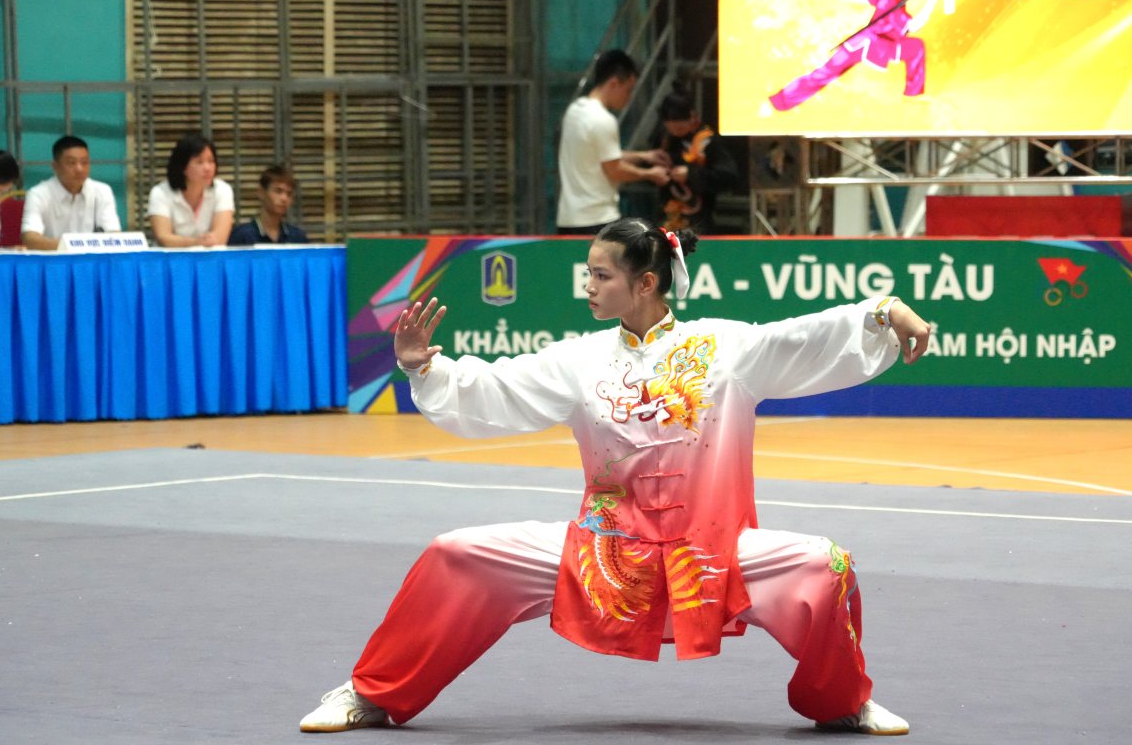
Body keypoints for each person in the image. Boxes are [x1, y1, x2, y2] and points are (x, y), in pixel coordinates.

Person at [299, 220, 931, 736]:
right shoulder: (580, 360)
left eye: (601, 275)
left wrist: (884, 311)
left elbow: (805, 338)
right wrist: (423, 371)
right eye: (588, 274)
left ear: (646, 281)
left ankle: (844, 703)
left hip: (711, 555)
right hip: (601, 552)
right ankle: (369, 693)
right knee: (456, 555)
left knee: (827, 566)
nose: (589, 287)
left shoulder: (726, 349)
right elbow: (495, 387)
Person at [765, 0, 948, 113]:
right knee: (825, 73)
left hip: (876, 44)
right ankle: (779, 102)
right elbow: (914, 25)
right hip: (871, 45)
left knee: (915, 47)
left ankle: (913, 95)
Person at [556, 49, 670, 235]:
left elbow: (598, 153)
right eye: (628, 90)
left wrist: (643, 156)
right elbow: (615, 169)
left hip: (568, 219)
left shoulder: (574, 111)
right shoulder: (603, 120)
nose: (629, 97)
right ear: (614, 83)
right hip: (597, 220)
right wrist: (650, 174)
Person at [656, 82, 738, 234]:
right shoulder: (664, 139)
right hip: (668, 216)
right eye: (670, 126)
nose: (675, 131)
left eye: (680, 126)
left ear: (692, 117)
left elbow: (729, 176)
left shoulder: (708, 141)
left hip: (700, 219)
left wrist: (691, 174)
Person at [21, 135, 122, 250]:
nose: (79, 169)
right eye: (71, 163)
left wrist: (80, 246)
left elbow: (114, 236)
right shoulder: (38, 194)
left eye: (84, 162)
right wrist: (78, 246)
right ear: (55, 166)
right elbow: (30, 239)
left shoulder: (102, 191)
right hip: (55, 262)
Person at [147, 133, 234, 247]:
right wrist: (197, 242)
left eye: (211, 161)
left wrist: (201, 242)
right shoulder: (160, 193)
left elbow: (220, 238)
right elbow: (164, 238)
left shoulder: (223, 190)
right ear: (183, 166)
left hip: (209, 259)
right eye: (199, 162)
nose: (207, 168)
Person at [228, 165, 308, 245]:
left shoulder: (297, 237)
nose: (284, 198)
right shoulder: (242, 236)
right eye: (278, 191)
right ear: (261, 192)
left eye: (289, 194)